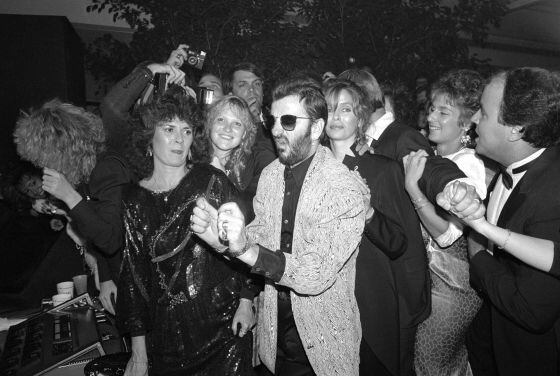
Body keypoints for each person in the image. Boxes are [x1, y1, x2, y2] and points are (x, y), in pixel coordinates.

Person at [191, 76, 369, 375]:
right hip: (274, 337)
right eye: (271, 120)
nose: (275, 130)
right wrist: (220, 240)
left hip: (323, 344)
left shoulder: (344, 188)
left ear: (316, 128)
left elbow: (316, 274)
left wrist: (245, 249)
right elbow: (258, 236)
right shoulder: (272, 175)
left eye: (288, 121)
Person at [116, 86, 255, 376]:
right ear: (149, 136)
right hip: (168, 335)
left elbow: (248, 244)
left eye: (187, 130)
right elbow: (134, 276)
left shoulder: (210, 180)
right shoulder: (134, 199)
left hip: (223, 328)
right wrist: (138, 349)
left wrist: (246, 301)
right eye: (169, 128)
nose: (179, 139)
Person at [437, 67, 560, 375]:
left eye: (484, 112)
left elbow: (532, 311)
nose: (475, 119)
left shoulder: (552, 194)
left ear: (516, 129)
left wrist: (477, 252)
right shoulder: (512, 167)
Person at [403, 69, 486, 375]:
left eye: (443, 112)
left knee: (430, 364)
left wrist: (413, 190)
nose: (431, 117)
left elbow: (447, 235)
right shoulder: (432, 154)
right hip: (426, 278)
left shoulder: (470, 165)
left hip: (451, 285)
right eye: (431, 109)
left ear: (466, 124)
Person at [12, 99, 132, 312]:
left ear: (61, 149)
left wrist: (69, 196)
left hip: (137, 276)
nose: (42, 166)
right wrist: (105, 277)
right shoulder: (84, 173)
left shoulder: (108, 168)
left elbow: (111, 239)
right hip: (118, 272)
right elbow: (96, 231)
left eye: (43, 158)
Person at [339, 68, 433, 165]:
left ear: (358, 101)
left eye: (343, 107)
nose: (337, 116)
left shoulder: (405, 138)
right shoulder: (361, 138)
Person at [223, 62, 277, 199]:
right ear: (230, 95)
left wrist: (257, 123)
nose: (252, 90)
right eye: (243, 85)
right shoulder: (222, 131)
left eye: (257, 84)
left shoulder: (277, 123)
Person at [205, 95, 257, 191]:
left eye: (237, 123)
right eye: (221, 120)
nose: (227, 128)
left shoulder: (249, 167)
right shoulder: (192, 157)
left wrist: (222, 178)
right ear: (210, 124)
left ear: (244, 133)